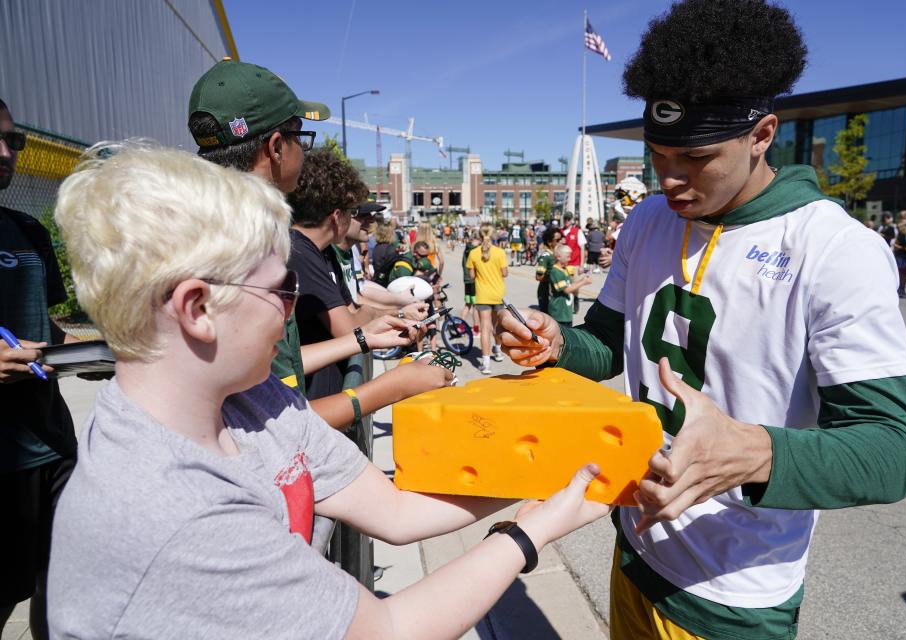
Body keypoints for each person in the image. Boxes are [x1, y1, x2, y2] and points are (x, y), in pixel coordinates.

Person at [46, 142, 610, 639]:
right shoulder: (171, 514)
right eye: (281, 289)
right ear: (198, 308)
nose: (292, 312)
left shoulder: (248, 400)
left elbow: (395, 511)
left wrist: (555, 476)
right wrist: (534, 530)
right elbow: (389, 628)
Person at [495, 2, 906, 638]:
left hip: (733, 595)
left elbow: (894, 450)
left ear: (761, 135)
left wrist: (753, 452)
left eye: (695, 157)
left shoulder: (834, 248)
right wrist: (557, 343)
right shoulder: (646, 219)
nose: (670, 178)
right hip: (634, 551)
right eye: (657, 154)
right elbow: (607, 347)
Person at [187, 57, 327, 394]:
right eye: (300, 138)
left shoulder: (194, 229)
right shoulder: (254, 246)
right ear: (277, 147)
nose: (304, 152)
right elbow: (274, 408)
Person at [0, 98, 78, 640]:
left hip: (52, 445)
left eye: (14, 141)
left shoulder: (27, 229)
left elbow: (50, 330)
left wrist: (105, 350)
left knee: (63, 592)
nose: (7, 153)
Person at [284, 149, 426, 401]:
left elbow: (353, 312)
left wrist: (391, 317)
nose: (360, 219)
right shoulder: (301, 253)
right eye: (352, 212)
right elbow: (348, 327)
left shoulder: (314, 251)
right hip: (313, 403)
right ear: (337, 216)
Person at [466, 223, 508, 375]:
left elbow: (471, 276)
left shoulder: (473, 253)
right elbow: (504, 273)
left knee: (485, 327)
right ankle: (497, 350)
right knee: (497, 325)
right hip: (497, 293)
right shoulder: (500, 252)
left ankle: (486, 362)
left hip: (482, 294)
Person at [548, 245, 592, 327]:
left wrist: (582, 279)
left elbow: (571, 285)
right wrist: (583, 282)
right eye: (567, 257)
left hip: (566, 313)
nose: (569, 259)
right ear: (559, 257)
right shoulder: (555, 271)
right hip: (559, 312)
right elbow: (566, 290)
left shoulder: (564, 269)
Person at [535, 226, 564, 312]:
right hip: (546, 293)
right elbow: (538, 277)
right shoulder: (546, 256)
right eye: (557, 240)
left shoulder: (556, 255)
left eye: (561, 239)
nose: (561, 242)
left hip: (555, 293)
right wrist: (554, 278)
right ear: (549, 242)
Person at [461, 230, 480, 336]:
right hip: (474, 280)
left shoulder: (467, 248)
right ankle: (476, 329)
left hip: (466, 279)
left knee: (468, 304)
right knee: (475, 306)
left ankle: (461, 325)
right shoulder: (475, 249)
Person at [892, 220, 906, 297]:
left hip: (903, 257)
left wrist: (898, 247)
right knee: (900, 273)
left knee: (903, 273)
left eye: (899, 227)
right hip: (899, 256)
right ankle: (900, 288)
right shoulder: (900, 234)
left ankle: (902, 288)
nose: (898, 228)